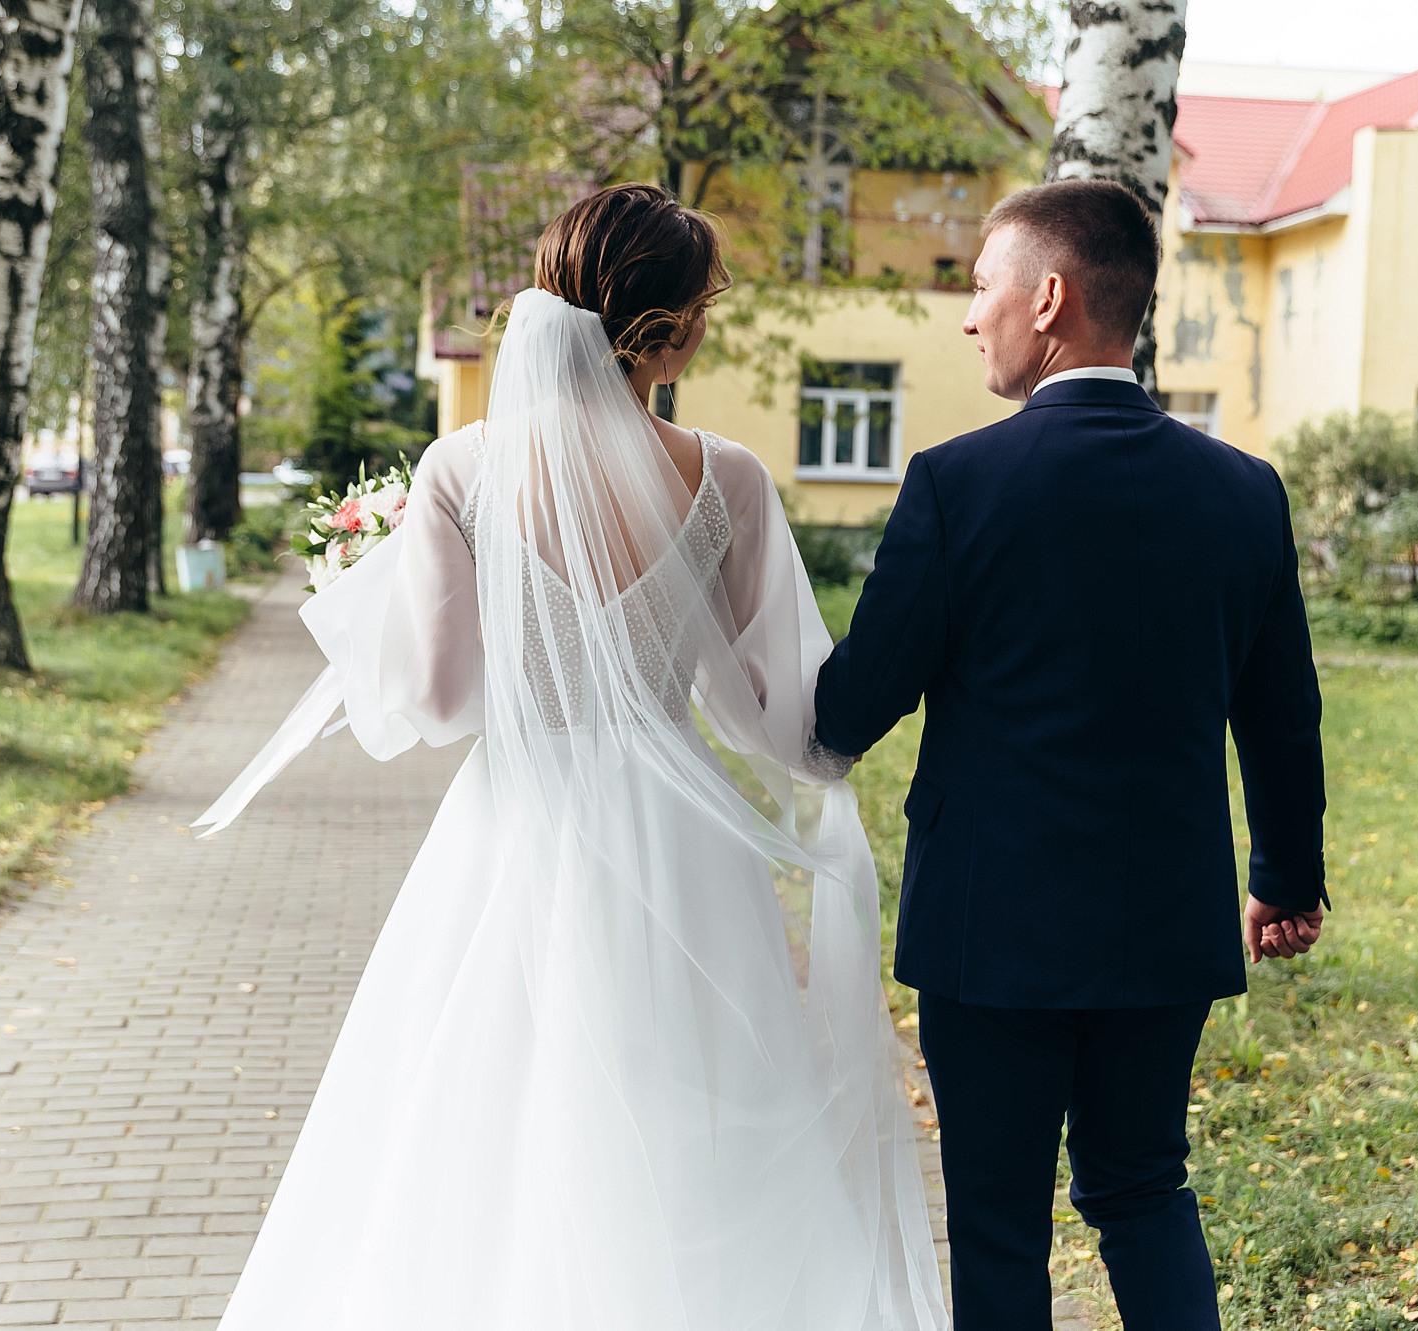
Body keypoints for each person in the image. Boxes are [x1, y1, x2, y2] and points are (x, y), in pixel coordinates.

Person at [194, 183, 948, 1330]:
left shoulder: (461, 468)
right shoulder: (727, 478)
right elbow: (763, 706)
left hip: (515, 820)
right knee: (694, 1100)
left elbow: (439, 700)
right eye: (703, 307)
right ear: (672, 329)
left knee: (484, 1104)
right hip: (681, 838)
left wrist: (376, 600)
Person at [812, 178, 1328, 1331]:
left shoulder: (955, 483)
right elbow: (1281, 710)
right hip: (1163, 920)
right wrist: (1284, 877)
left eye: (980, 285)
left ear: (1047, 298)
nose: (968, 315)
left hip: (987, 927)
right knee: (1141, 1187)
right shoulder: (1243, 491)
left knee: (997, 1221)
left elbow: (849, 710)